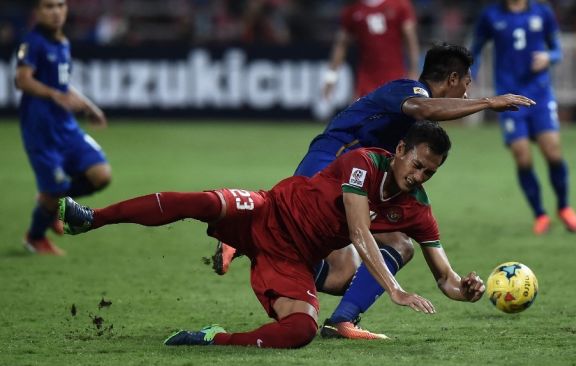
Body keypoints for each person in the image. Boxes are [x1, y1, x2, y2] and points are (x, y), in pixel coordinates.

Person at [58, 122, 486, 349]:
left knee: (300, 331)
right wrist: (393, 289)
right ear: (399, 152)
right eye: (417, 163)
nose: (419, 175)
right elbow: (358, 230)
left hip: (290, 260)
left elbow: (445, 277)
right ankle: (89, 217)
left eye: (430, 171)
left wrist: (464, 289)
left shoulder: (417, 209)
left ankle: (212, 339)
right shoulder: (363, 163)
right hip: (268, 211)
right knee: (205, 203)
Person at [215, 42, 535, 339]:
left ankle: (342, 320)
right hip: (332, 159)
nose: (468, 94)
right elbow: (424, 109)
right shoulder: (408, 91)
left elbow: (444, 277)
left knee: (349, 269)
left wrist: (462, 288)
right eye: (467, 85)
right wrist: (489, 103)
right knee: (292, 225)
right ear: (453, 78)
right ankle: (241, 234)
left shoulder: (414, 138)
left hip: (355, 176)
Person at [470, 0, 576, 235]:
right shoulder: (491, 15)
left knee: (552, 151)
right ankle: (540, 214)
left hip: (540, 93)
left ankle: (564, 206)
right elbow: (476, 49)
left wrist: (548, 57)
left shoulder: (542, 12)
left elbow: (557, 50)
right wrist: (470, 73)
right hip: (510, 96)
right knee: (522, 157)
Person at [16, 0, 111, 255]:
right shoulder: (33, 42)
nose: (56, 11)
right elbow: (22, 80)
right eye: (48, 6)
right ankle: (35, 237)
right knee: (54, 190)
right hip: (41, 130)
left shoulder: (63, 42)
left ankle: (53, 202)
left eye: (60, 5)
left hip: (66, 127)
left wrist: (91, 107)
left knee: (101, 175)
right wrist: (54, 95)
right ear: (37, 12)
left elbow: (63, 83)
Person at [322, 0, 420, 100]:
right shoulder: (352, 10)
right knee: (359, 113)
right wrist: (331, 78)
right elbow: (341, 45)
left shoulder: (399, 5)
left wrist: (413, 71)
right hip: (366, 80)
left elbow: (411, 40)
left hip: (396, 76)